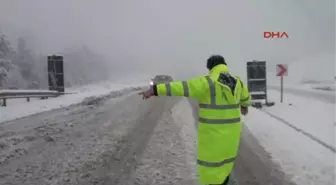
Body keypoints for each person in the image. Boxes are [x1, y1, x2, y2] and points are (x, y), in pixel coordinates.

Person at [139, 55, 251, 185]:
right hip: (232, 133)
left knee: (210, 167)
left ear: (210, 67)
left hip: (212, 135)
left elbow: (182, 87)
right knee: (226, 162)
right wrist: (244, 105)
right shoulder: (237, 82)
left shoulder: (208, 82)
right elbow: (246, 96)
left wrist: (156, 89)